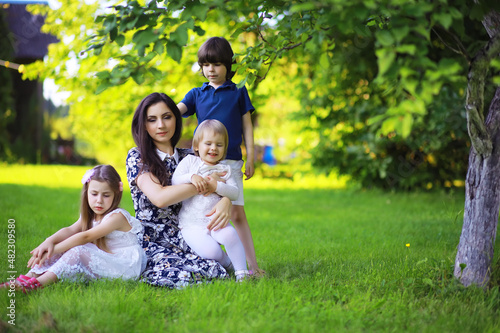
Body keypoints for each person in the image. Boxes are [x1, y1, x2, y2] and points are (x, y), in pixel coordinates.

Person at [177, 36, 264, 277]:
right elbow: (175, 112)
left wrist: (251, 157)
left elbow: (247, 126)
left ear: (228, 65)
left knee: (237, 214)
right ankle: (214, 254)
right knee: (203, 206)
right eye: (205, 65)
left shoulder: (238, 91)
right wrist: (155, 113)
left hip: (231, 162)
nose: (210, 70)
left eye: (216, 64)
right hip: (203, 163)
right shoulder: (197, 93)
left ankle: (252, 267)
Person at [126, 92, 232, 289]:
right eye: (152, 119)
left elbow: (226, 178)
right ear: (143, 125)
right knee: (183, 276)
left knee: (216, 271)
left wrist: (226, 200)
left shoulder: (191, 156)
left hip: (189, 231)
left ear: (176, 119)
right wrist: (205, 185)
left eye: (167, 117)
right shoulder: (137, 157)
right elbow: (159, 198)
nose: (161, 125)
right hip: (154, 238)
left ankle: (229, 264)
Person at [1, 165, 146, 293]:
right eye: (94, 194)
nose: (99, 200)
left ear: (116, 195)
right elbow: (70, 230)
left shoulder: (117, 217)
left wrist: (54, 250)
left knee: (77, 250)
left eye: (106, 195)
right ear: (87, 191)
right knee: (66, 245)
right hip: (106, 256)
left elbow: (85, 237)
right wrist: (49, 242)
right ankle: (27, 278)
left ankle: (37, 284)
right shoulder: (91, 214)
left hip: (123, 264)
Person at [172, 119, 249, 281]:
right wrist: (191, 177)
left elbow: (234, 193)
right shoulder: (190, 162)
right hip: (191, 224)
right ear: (196, 146)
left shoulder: (225, 170)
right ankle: (228, 263)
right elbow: (175, 180)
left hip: (216, 221)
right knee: (211, 252)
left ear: (224, 149)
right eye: (208, 143)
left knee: (230, 235)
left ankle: (242, 274)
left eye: (219, 145)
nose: (213, 148)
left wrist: (217, 187)